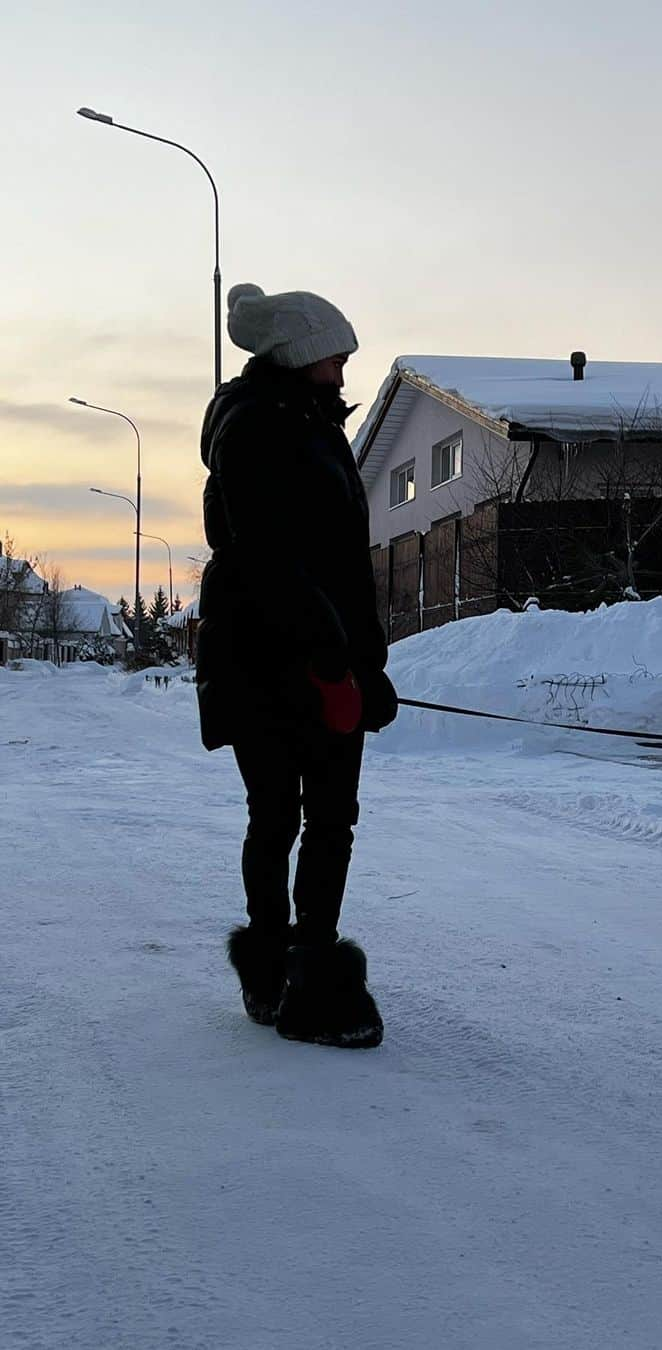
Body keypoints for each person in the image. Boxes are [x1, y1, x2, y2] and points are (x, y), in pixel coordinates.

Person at [196, 282, 397, 1048]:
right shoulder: (257, 430)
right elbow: (273, 562)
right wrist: (330, 663)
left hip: (326, 654)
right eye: (336, 358)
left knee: (332, 819)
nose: (345, 372)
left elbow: (342, 564)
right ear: (300, 355)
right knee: (280, 814)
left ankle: (305, 964)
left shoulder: (310, 423)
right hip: (271, 660)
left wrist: (361, 661)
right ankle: (284, 972)